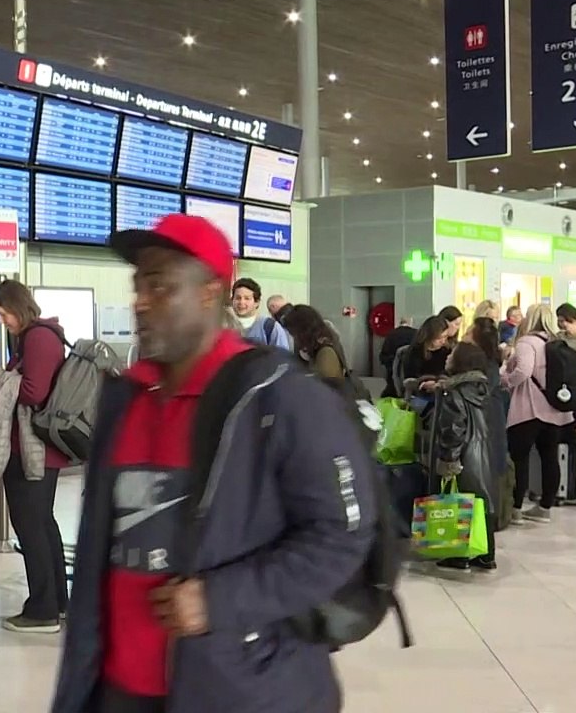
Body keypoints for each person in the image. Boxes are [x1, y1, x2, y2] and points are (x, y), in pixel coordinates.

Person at [51, 213, 376, 713]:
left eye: (160, 285)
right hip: (118, 690)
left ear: (210, 292)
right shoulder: (125, 398)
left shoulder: (279, 396)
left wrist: (220, 599)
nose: (140, 302)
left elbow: (343, 532)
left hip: (242, 692)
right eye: (138, 286)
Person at [0, 279, 68, 634]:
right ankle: (57, 602)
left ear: (17, 307)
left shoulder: (38, 338)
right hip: (37, 449)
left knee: (31, 527)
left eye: (3, 314)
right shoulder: (38, 336)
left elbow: (32, 391)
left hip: (31, 450)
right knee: (42, 524)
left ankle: (42, 609)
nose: (3, 322)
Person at [432, 342, 502, 571]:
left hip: (463, 454)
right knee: (482, 503)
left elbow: (453, 429)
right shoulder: (484, 389)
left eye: (452, 354)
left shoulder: (455, 392)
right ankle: (486, 554)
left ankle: (458, 554)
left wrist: (449, 459)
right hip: (483, 453)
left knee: (457, 501)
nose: (447, 357)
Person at [500, 304, 574, 523]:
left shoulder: (527, 342)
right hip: (555, 408)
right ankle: (545, 507)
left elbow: (523, 371)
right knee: (550, 457)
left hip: (529, 408)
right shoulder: (557, 343)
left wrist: (506, 380)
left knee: (520, 458)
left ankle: (516, 508)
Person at [280, 304, 348, 383]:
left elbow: (325, 386)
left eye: (294, 334)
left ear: (303, 331)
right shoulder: (320, 347)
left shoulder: (326, 353)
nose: (295, 339)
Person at [235, 279, 293, 350]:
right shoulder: (224, 326)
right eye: (238, 298)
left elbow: (283, 355)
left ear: (257, 302)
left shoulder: (270, 327)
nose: (241, 302)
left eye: (247, 298)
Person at [405, 315, 453, 385]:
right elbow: (410, 378)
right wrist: (423, 383)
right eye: (439, 338)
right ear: (429, 336)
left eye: (445, 337)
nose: (443, 341)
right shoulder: (416, 351)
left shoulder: (447, 350)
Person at [379, 316, 417, 397]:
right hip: (411, 371)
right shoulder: (416, 333)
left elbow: (384, 355)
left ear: (400, 323)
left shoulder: (391, 334)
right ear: (411, 322)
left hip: (393, 370)